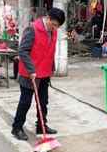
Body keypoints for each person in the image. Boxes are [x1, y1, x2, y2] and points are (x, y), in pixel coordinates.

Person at [11, 7, 66, 141]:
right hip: (30, 74)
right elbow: (22, 51)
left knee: (43, 101)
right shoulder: (32, 29)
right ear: (47, 18)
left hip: (44, 73)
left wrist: (51, 68)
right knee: (25, 102)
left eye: (57, 26)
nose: (55, 28)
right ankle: (17, 127)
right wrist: (31, 70)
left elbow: (50, 51)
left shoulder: (53, 31)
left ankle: (41, 125)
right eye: (53, 24)